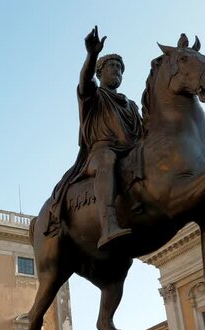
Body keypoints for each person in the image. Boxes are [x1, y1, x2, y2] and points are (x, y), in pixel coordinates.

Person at [46, 27, 144, 250]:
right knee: (107, 160)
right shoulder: (92, 95)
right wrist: (92, 55)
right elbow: (84, 79)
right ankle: (108, 223)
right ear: (100, 72)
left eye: (120, 68)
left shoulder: (130, 105)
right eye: (112, 66)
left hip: (129, 150)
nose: (117, 70)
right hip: (100, 152)